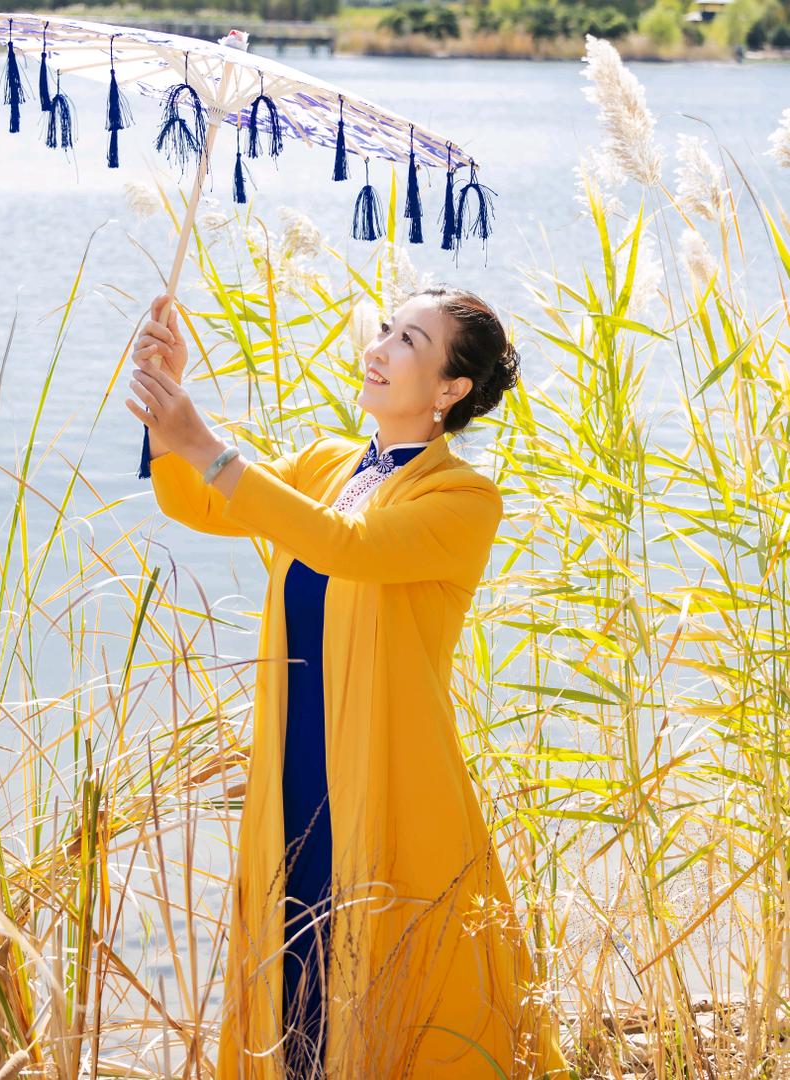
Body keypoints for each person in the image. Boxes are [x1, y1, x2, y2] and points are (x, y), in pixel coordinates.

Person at [125, 286, 573, 1080]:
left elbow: (347, 545)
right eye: (387, 330)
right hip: (297, 760)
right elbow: (201, 502)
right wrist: (170, 417)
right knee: (296, 942)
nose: (378, 348)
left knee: (391, 959)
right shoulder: (328, 464)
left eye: (407, 341)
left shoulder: (463, 499)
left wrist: (209, 445)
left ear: (449, 391)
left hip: (389, 769)